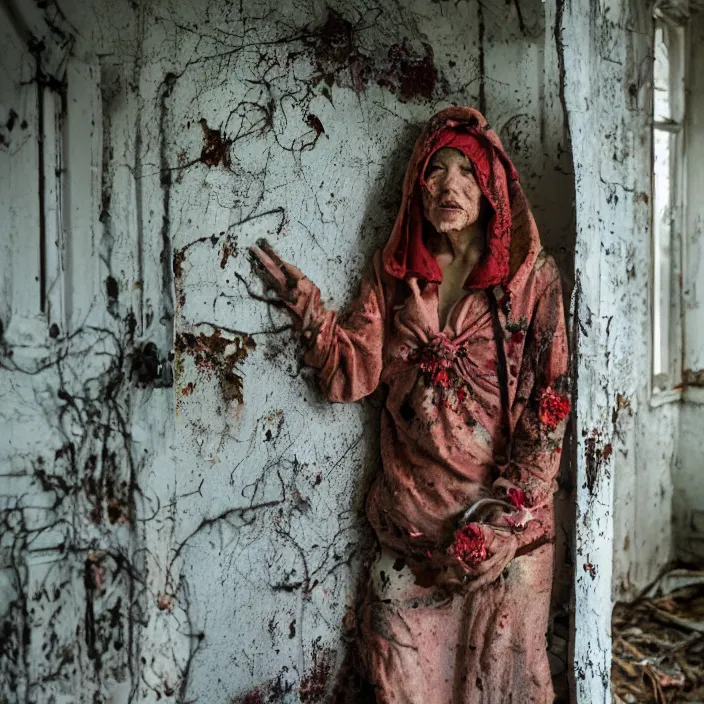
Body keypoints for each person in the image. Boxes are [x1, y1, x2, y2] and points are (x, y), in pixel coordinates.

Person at [250, 106, 570, 704]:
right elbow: (354, 372)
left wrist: (500, 529)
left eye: (466, 174)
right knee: (402, 686)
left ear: (492, 188)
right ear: (416, 187)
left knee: (500, 687)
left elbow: (547, 414)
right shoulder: (397, 276)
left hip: (505, 537)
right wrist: (310, 311)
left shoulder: (531, 283)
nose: (449, 187)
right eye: (435, 172)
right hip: (411, 531)